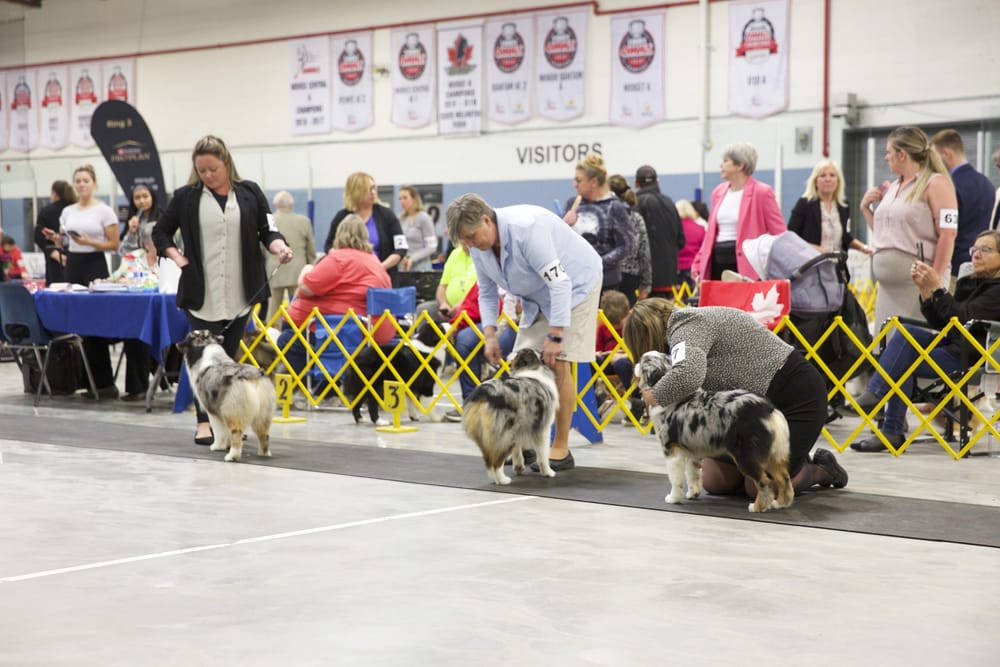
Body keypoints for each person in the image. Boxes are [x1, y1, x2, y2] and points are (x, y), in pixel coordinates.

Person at [623, 298, 848, 495]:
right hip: (750, 414)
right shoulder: (685, 329)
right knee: (716, 482)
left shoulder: (685, 326)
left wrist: (654, 395)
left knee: (762, 488)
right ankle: (786, 460)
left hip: (795, 396)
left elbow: (688, 375)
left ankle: (820, 469)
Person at [153, 135, 293, 446]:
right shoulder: (186, 197)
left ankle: (232, 423)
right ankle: (204, 421)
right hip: (201, 294)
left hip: (240, 292)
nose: (206, 176)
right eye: (201, 170)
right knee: (204, 364)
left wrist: (279, 246)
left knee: (229, 362)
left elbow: (267, 229)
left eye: (212, 169)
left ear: (226, 163)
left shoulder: (250, 193)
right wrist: (176, 256)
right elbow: (160, 231)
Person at [447, 193, 603, 472]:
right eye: (464, 241)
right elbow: (486, 292)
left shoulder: (527, 229)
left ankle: (560, 447)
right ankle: (526, 445)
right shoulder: (479, 247)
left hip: (577, 285)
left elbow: (560, 284)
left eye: (471, 236)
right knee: (521, 363)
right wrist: (490, 335)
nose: (470, 245)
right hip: (536, 295)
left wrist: (556, 336)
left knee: (559, 363)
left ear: (486, 219)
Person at [849, 229, 1000, 452]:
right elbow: (944, 322)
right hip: (951, 344)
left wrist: (938, 287)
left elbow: (963, 318)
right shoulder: (969, 282)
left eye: (985, 250)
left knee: (902, 360)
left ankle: (887, 421)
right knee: (906, 333)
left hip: (972, 355)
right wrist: (926, 293)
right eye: (974, 249)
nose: (976, 255)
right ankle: (879, 404)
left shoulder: (997, 290)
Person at [860, 126, 958, 329]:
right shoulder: (893, 186)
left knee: (912, 348)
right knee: (884, 347)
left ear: (902, 154)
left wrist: (935, 281)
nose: (886, 157)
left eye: (889, 152)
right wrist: (866, 210)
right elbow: (886, 236)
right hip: (887, 289)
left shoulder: (937, 183)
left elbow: (948, 234)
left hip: (918, 285)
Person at [275, 215, 393, 373]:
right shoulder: (375, 262)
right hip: (372, 333)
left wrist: (307, 269)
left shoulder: (339, 259)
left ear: (339, 234)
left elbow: (307, 286)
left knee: (286, 339)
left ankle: (319, 385)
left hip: (344, 334)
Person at [41, 165, 121, 399]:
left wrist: (90, 242)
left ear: (94, 183)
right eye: (78, 181)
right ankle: (83, 381)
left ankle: (105, 382)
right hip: (73, 263)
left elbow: (114, 244)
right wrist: (57, 238)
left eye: (86, 180)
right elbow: (67, 241)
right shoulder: (67, 211)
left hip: (94, 262)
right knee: (77, 323)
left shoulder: (104, 211)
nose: (81, 184)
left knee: (96, 323)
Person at [691, 143, 787, 282]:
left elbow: (779, 234)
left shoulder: (762, 192)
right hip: (717, 261)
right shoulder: (718, 192)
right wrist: (699, 261)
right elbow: (710, 235)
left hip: (746, 265)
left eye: (725, 161)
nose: (721, 165)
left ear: (740, 165)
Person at [929, 130, 995, 291]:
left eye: (934, 157)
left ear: (946, 154)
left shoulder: (947, 186)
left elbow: (946, 232)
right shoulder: (986, 183)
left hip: (954, 269)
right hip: (981, 268)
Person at [441, 282, 517, 422]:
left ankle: (504, 404)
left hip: (521, 321)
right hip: (491, 322)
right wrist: (457, 324)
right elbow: (471, 303)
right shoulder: (487, 270)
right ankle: (471, 402)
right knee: (464, 341)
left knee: (506, 344)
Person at [562, 154, 633, 293]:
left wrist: (598, 262)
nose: (574, 184)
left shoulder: (614, 207)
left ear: (593, 182)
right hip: (575, 281)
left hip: (605, 282)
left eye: (579, 180)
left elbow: (626, 244)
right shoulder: (572, 204)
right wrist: (563, 224)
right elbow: (559, 241)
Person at [323, 172, 407, 276]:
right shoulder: (342, 216)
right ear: (356, 192)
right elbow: (328, 246)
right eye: (368, 189)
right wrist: (341, 260)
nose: (373, 193)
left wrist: (381, 267)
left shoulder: (387, 215)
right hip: (349, 276)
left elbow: (401, 248)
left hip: (381, 275)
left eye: (374, 188)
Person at [788, 160, 873, 256]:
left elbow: (846, 236)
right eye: (823, 176)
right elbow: (791, 238)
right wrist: (818, 249)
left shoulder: (843, 205)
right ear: (815, 181)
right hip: (811, 263)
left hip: (837, 265)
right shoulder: (804, 204)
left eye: (832, 175)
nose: (827, 179)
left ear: (838, 181)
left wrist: (864, 248)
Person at [265, 190, 317, 323]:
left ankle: (271, 335)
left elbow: (262, 246)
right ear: (291, 205)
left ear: (275, 204)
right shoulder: (304, 221)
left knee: (274, 308)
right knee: (298, 305)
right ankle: (296, 331)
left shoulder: (270, 221)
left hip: (275, 269)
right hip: (297, 272)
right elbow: (311, 250)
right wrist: (312, 267)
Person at [633, 165, 685, 295]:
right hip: (669, 277)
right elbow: (681, 240)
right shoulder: (670, 203)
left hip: (645, 281)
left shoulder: (636, 203)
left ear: (635, 183)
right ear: (657, 182)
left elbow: (634, 243)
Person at [608, 174, 651, 305]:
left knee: (603, 321)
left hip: (607, 275)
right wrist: (646, 283)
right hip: (630, 277)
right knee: (627, 320)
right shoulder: (636, 218)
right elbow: (644, 253)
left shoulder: (602, 216)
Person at [33, 179, 76, 284]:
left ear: (54, 193)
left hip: (54, 261)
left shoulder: (46, 211)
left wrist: (53, 253)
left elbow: (38, 235)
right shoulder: (75, 209)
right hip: (76, 257)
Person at [397, 186, 437, 273]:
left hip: (421, 268)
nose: (402, 201)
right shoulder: (400, 219)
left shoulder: (424, 218)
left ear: (414, 199)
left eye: (405, 198)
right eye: (400, 198)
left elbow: (432, 247)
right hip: (403, 267)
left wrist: (412, 258)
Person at [119, 184, 164, 256]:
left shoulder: (162, 220)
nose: (142, 201)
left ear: (152, 197)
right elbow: (124, 252)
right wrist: (132, 233)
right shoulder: (133, 221)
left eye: (145, 196)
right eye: (137, 198)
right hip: (138, 264)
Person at [675, 199, 707, 290]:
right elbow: (703, 251)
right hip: (693, 270)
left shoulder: (672, 230)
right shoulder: (701, 229)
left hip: (675, 271)